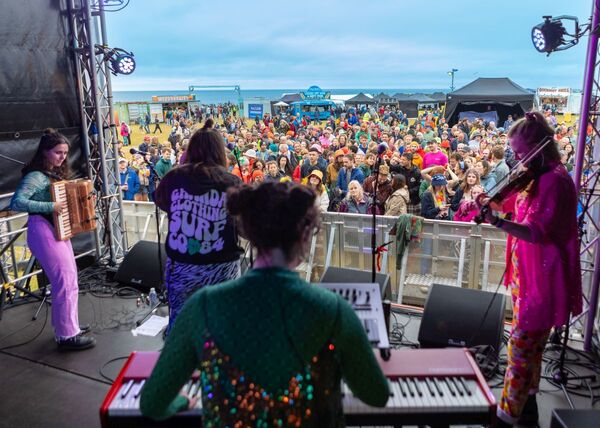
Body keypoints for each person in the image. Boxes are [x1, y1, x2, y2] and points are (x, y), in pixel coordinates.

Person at [140, 182, 389, 425]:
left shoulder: (202, 306)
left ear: (248, 231)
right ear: (305, 235)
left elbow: (152, 403)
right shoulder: (333, 310)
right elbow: (377, 395)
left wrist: (180, 403)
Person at [480, 111, 582, 427]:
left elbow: (536, 231)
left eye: (522, 153)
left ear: (541, 147)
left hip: (544, 278)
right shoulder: (535, 176)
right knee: (531, 347)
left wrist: (498, 222)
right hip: (528, 275)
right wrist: (492, 200)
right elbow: (513, 205)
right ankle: (528, 409)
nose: (519, 160)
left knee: (521, 350)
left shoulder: (553, 180)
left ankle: (506, 416)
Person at [154, 119, 243, 333]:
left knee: (181, 320)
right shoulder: (232, 182)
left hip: (183, 264)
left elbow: (163, 202)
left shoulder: (174, 177)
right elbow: (242, 224)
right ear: (220, 151)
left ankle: (180, 360)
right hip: (222, 266)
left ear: (190, 150)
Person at [10, 129, 95, 350]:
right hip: (42, 229)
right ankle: (67, 336)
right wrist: (51, 206)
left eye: (65, 153)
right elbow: (17, 203)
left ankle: (68, 326)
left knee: (70, 280)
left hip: (55, 229)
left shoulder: (51, 174)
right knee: (64, 282)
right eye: (58, 153)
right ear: (45, 152)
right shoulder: (36, 176)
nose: (62, 158)